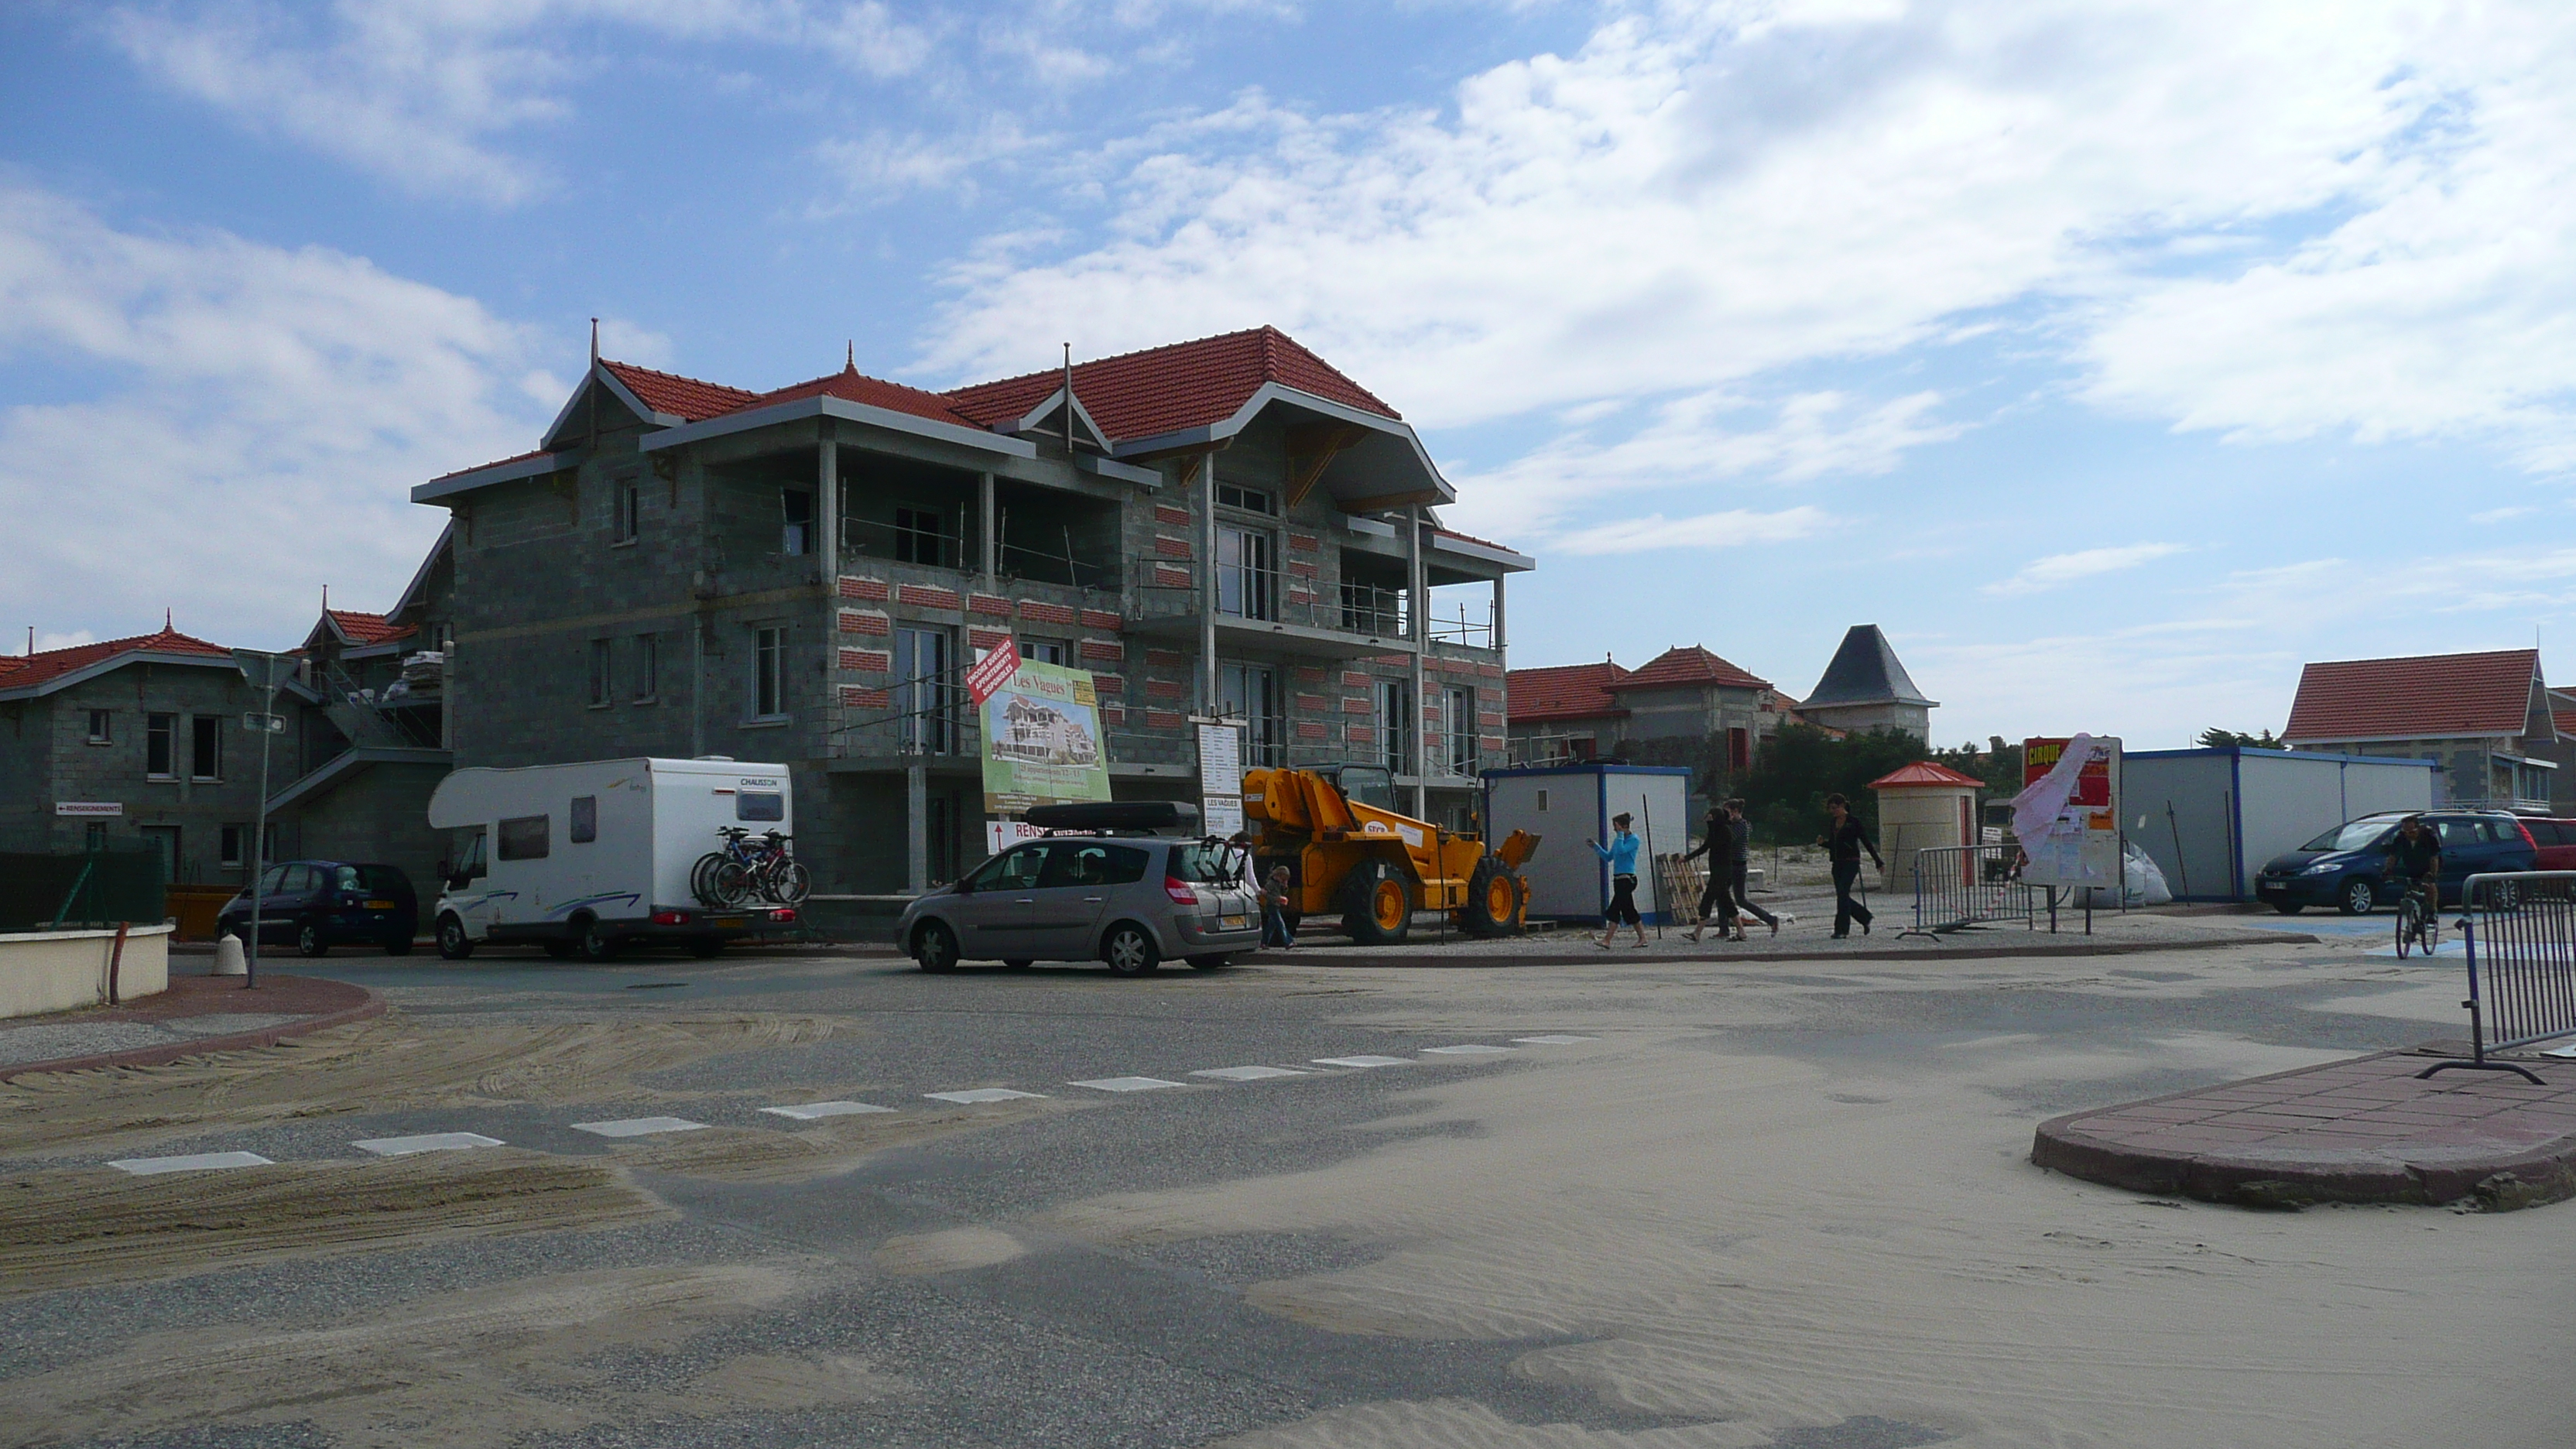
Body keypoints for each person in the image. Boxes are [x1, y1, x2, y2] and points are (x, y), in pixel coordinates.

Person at [1817, 793, 1883, 938]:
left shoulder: (1854, 822)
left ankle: (1841, 930)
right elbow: (1835, 844)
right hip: (1837, 862)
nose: (1833, 811)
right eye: (1831, 809)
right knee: (1842, 895)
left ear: (1842, 806)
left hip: (1851, 861)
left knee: (1842, 894)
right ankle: (1865, 917)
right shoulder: (1833, 822)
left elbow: (1866, 841)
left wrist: (1878, 861)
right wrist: (1823, 844)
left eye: (1835, 808)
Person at [1680, 804, 1741, 944]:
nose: (1708, 820)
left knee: (1707, 901)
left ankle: (1697, 933)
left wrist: (1688, 857)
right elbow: (1705, 847)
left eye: (1710, 817)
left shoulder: (1723, 831)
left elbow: (1709, 845)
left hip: (1722, 871)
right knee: (1726, 902)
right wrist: (1687, 858)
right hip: (1719, 871)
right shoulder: (1717, 830)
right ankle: (1741, 932)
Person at [1725, 797, 1782, 936]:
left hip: (1738, 866)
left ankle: (1770, 919)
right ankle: (1723, 929)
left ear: (1735, 811)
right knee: (1722, 896)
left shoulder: (1742, 826)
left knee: (1740, 900)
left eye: (1727, 812)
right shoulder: (1735, 825)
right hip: (1730, 865)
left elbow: (1727, 838)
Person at [1589, 813, 1648, 948]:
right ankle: (1642, 938)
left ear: (1624, 826)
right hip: (1618, 880)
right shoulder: (1618, 840)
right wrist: (1596, 847)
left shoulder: (1634, 840)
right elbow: (1609, 857)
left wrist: (1621, 835)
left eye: (1617, 827)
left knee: (1615, 909)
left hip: (1628, 879)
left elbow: (1622, 851)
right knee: (1628, 910)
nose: (1615, 830)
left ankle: (1607, 940)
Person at [2382, 815, 2441, 921]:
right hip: (2411, 865)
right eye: (2406, 832)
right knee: (2410, 889)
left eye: (2412, 832)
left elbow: (2434, 857)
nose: (2409, 835)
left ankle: (2432, 911)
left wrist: (2432, 874)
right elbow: (2393, 856)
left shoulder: (2429, 836)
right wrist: (2388, 870)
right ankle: (2411, 920)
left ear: (2418, 828)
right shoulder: (2400, 838)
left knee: (2430, 885)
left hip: (2428, 865)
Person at [1260, 865, 1298, 950]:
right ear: (1278, 875)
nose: (1282, 881)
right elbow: (1266, 894)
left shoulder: (1278, 883)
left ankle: (1263, 942)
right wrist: (1276, 899)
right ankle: (1288, 941)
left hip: (1276, 906)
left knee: (1271, 927)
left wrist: (1285, 886)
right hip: (1271, 906)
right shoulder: (1271, 883)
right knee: (1281, 924)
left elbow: (1283, 892)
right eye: (1282, 879)